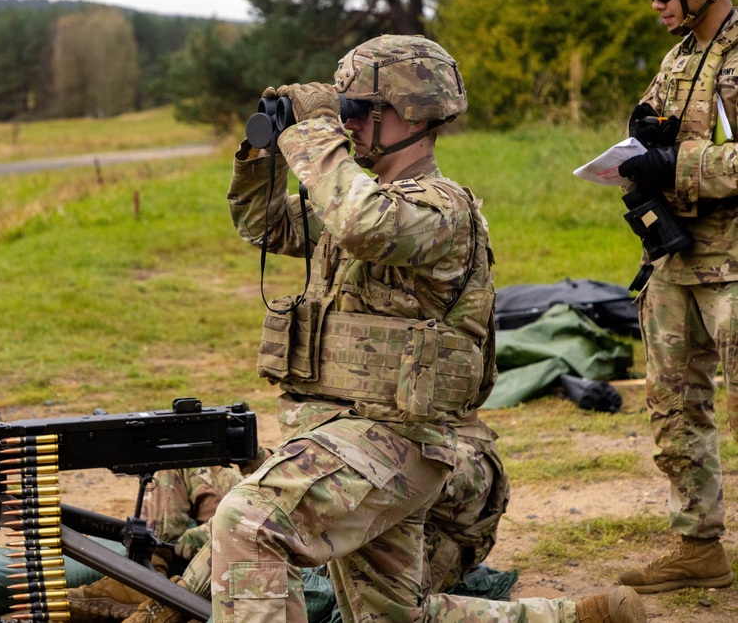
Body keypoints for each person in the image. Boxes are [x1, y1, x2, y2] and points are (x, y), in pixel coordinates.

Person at [206, 34, 645, 623]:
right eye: (346, 111)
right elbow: (262, 224)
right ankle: (576, 617)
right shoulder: (356, 200)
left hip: (396, 442)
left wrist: (313, 133)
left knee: (248, 522)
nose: (350, 124)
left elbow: (363, 224)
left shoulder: (442, 210)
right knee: (387, 617)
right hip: (350, 438)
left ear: (410, 114)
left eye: (361, 111)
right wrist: (265, 147)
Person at [66, 416, 509, 622]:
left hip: (354, 559)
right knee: (179, 447)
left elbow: (336, 503)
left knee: (249, 527)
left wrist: (205, 535)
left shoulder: (454, 460)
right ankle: (151, 571)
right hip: (315, 529)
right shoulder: (382, 432)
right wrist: (253, 460)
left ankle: (155, 603)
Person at [615, 0, 738, 594]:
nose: (658, 5)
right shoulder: (679, 60)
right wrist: (640, 151)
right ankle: (697, 547)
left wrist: (679, 163)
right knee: (674, 407)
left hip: (734, 263)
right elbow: (657, 138)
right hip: (676, 258)